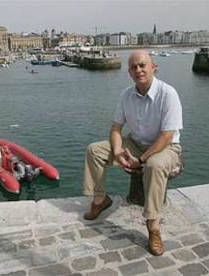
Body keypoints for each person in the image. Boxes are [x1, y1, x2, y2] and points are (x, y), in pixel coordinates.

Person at [82, 50, 183, 256]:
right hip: (135, 143)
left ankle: (153, 225)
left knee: (154, 165)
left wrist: (141, 160)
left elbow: (166, 135)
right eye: (134, 67)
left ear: (153, 67)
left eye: (142, 65)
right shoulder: (126, 95)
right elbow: (116, 129)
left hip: (165, 147)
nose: (138, 69)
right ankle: (100, 201)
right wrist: (118, 150)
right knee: (95, 150)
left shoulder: (168, 94)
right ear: (129, 72)